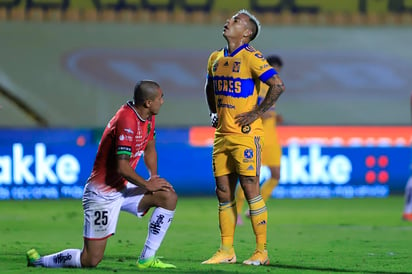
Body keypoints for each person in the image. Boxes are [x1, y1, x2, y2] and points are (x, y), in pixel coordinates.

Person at [26, 80, 178, 269]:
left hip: (123, 187)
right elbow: (122, 167)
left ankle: (147, 259)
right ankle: (39, 262)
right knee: (90, 260)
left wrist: (153, 176)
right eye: (160, 98)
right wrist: (147, 185)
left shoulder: (148, 117)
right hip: (102, 193)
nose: (162, 101)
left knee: (168, 196)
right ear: (148, 102)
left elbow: (150, 147)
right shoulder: (126, 120)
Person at [202, 10, 285, 266]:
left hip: (246, 136)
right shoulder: (215, 58)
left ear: (246, 33)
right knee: (223, 192)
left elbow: (278, 85)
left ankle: (261, 252)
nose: (228, 22)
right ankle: (227, 250)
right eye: (230, 19)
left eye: (236, 21)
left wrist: (257, 113)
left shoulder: (252, 57)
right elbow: (209, 86)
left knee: (251, 190)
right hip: (222, 135)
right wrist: (214, 111)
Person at [235, 55, 284, 225]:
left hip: (272, 138)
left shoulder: (274, 87)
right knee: (250, 176)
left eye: (278, 69)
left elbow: (269, 111)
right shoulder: (258, 85)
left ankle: (254, 208)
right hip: (258, 136)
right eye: (273, 68)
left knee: (276, 175)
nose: (275, 72)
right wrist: (263, 113)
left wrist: (274, 117)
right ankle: (237, 212)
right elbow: (253, 110)